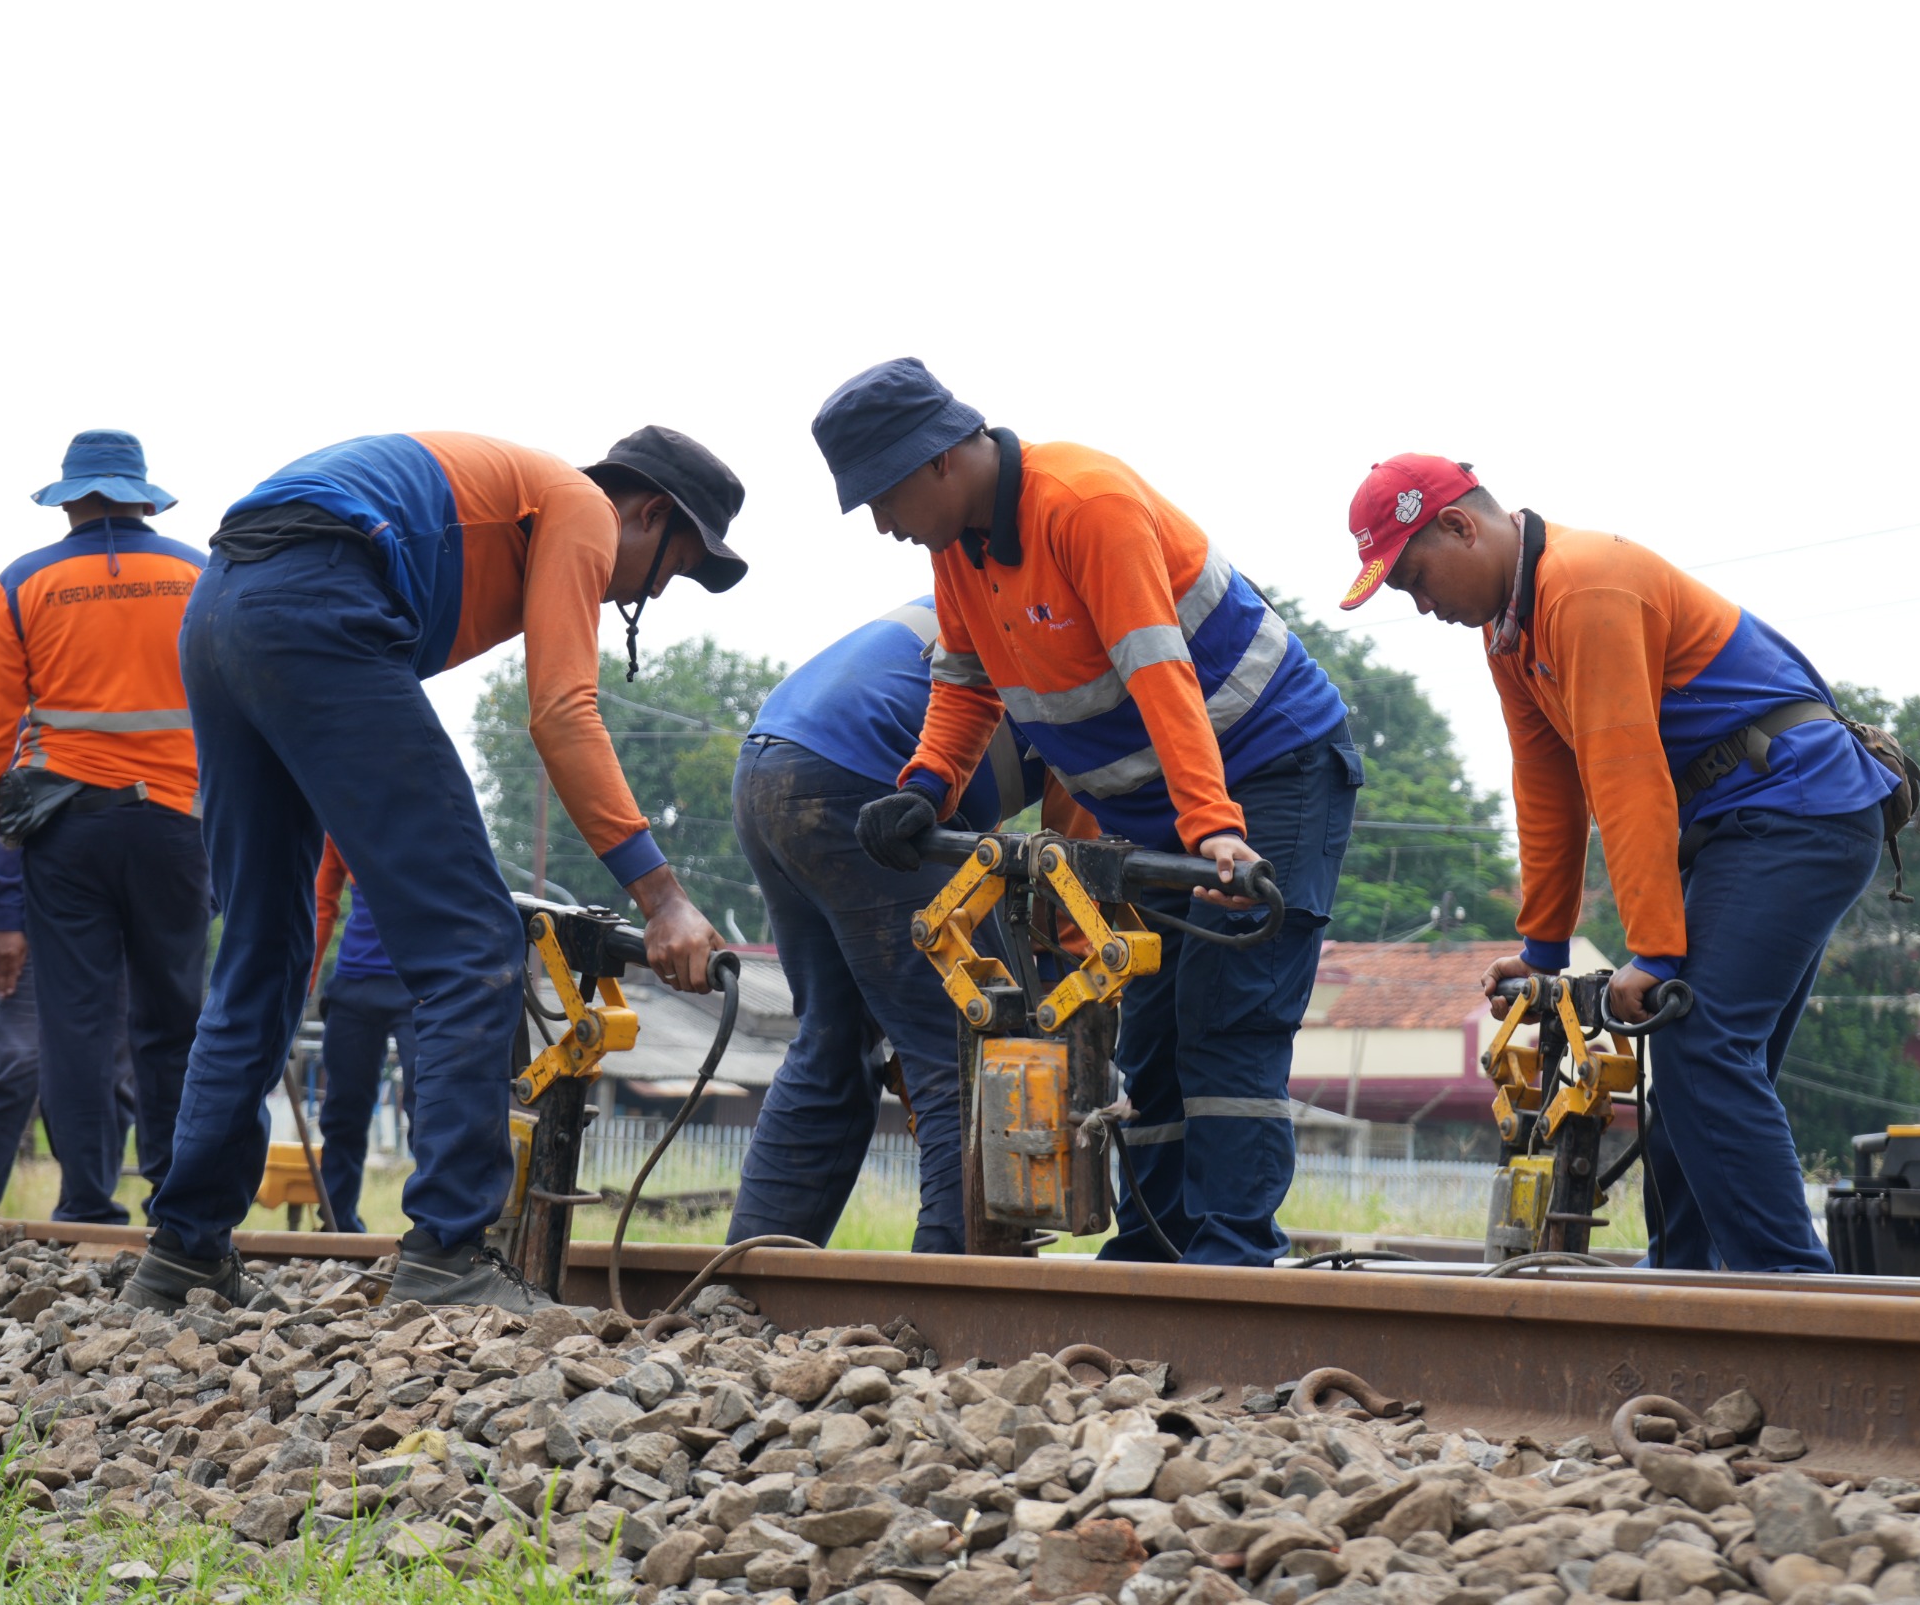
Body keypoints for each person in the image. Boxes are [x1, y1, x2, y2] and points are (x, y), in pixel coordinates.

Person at [126, 426, 748, 1315]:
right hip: (315, 602)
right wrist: (664, 897)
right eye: (670, 570)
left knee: (261, 950)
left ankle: (183, 1252)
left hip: (222, 607)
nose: (633, 596)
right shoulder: (581, 507)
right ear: (648, 513)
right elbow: (564, 714)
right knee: (470, 940)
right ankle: (449, 1257)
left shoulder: (507, 506)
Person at [817, 360, 1360, 1268]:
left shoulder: (1084, 504)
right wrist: (924, 786)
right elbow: (964, 682)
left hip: (1265, 770)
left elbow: (1161, 674)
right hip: (1165, 804)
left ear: (939, 462)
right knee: (1150, 1023)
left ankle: (1229, 1257)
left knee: (1227, 1018)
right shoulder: (961, 550)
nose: (882, 524)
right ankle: (1155, 1249)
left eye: (882, 497)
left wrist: (1215, 826)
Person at [1337, 453, 1902, 1273]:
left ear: (1461, 526)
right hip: (1752, 822)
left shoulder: (1582, 585)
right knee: (1698, 1065)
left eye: (1417, 579)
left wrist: (1656, 954)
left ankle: (1788, 1293)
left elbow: (1626, 777)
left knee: (1701, 1045)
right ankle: (1685, 1278)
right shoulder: (1511, 632)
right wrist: (1541, 949)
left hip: (1793, 810)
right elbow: (1548, 788)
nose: (1423, 607)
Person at [727, 598, 1073, 1255]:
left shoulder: (1010, 598)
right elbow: (1073, 868)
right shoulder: (1095, 648)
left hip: (772, 768)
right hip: (864, 777)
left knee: (830, 1041)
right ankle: (962, 1287)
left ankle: (747, 1281)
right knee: (975, 1039)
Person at [0, 430, 210, 1228]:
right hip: (177, 826)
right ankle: (174, 1195)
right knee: (174, 1014)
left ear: (69, 499)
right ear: (141, 494)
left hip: (69, 835)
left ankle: (87, 1199)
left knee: (77, 1023)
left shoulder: (23, 584)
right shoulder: (202, 575)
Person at [0, 832, 141, 1218]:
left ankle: (87, 1212)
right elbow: (14, 805)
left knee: (112, 1072)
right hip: (40, 913)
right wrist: (8, 916)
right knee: (18, 1058)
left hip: (127, 920)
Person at [308, 840, 415, 1233]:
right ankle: (337, 1225)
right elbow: (321, 902)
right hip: (354, 984)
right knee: (342, 1111)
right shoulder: (339, 813)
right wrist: (304, 983)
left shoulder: (432, 799)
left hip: (420, 982)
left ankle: (439, 1231)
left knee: (430, 1103)